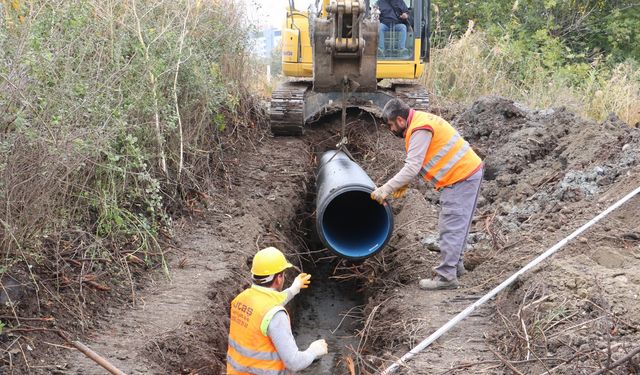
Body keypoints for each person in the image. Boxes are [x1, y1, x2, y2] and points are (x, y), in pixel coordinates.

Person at [371, 99, 483, 290]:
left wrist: (385, 189)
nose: (391, 130)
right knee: (460, 224)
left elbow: (413, 166)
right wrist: (404, 183)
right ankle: (457, 266)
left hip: (459, 177)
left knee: (451, 226)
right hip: (469, 172)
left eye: (391, 125)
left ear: (400, 120)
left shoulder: (419, 129)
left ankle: (447, 276)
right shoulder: (421, 121)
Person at [226, 247, 328, 374]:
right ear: (279, 278)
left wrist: (294, 288)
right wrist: (313, 351)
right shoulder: (276, 316)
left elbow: (266, 305)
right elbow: (293, 363)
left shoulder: (241, 299)